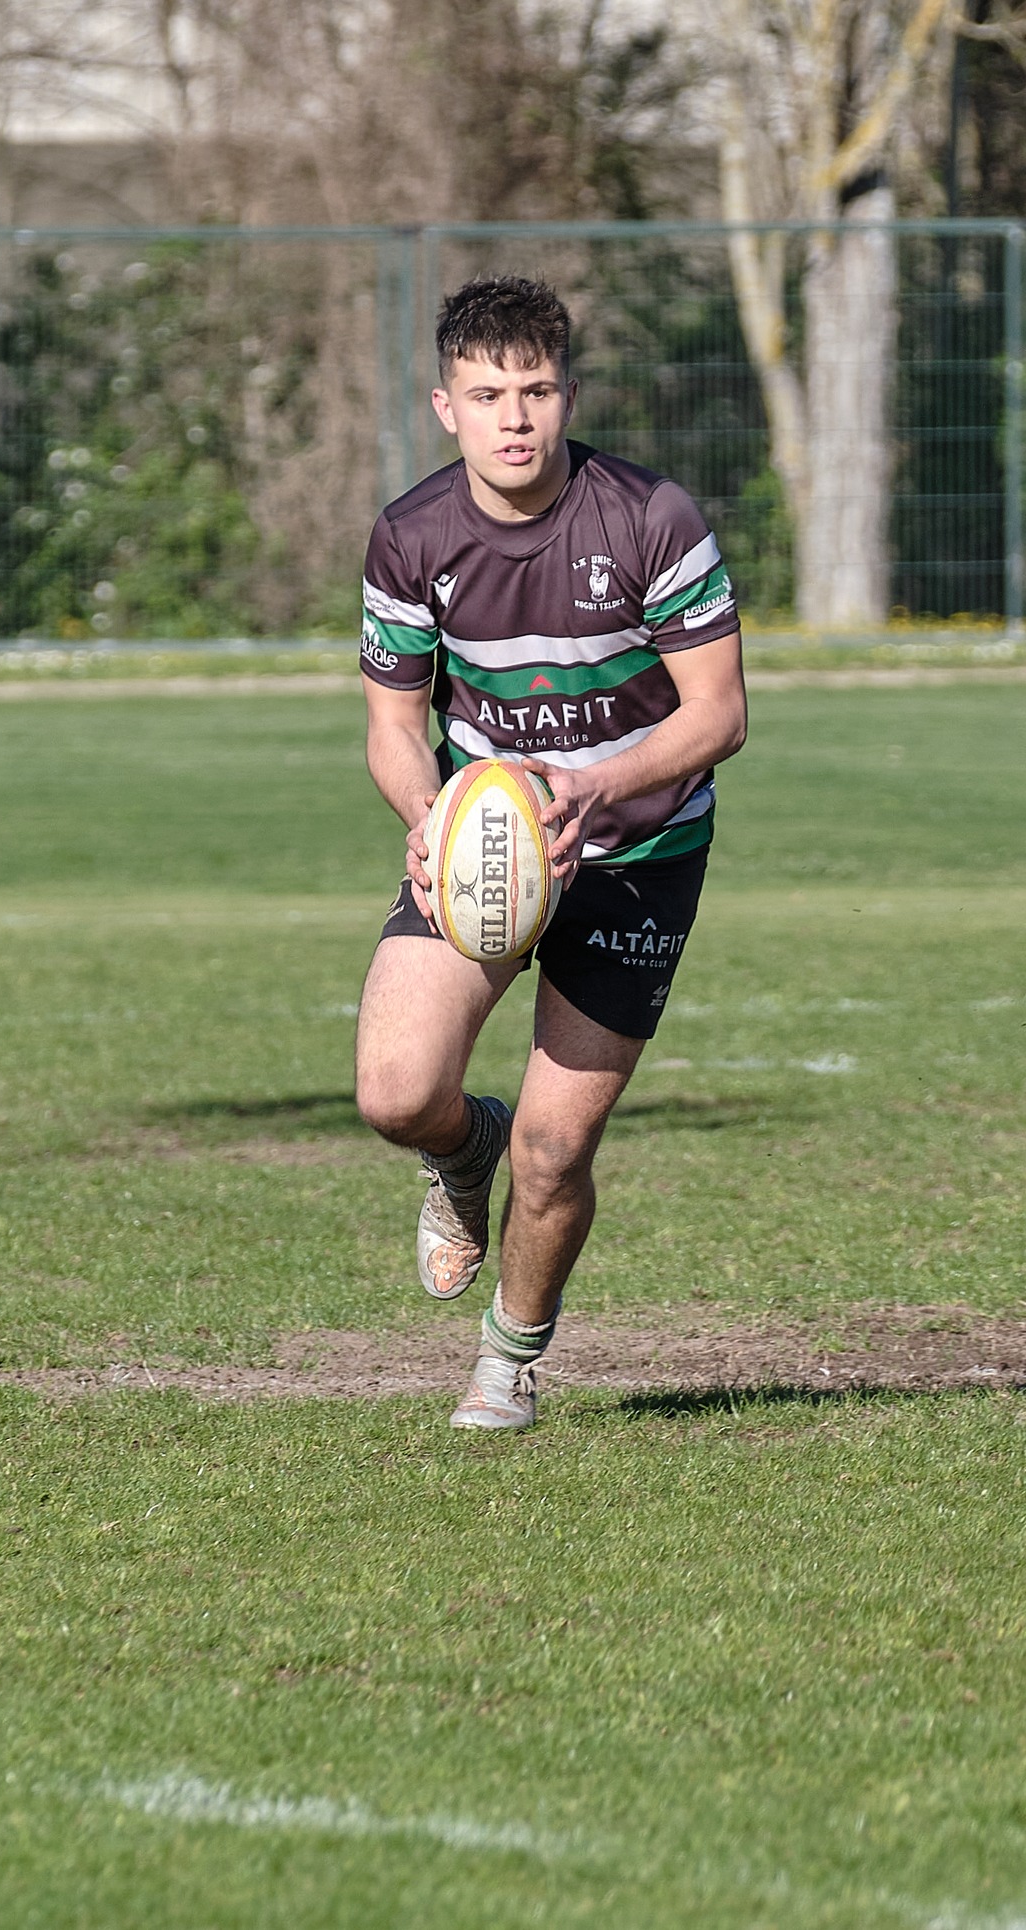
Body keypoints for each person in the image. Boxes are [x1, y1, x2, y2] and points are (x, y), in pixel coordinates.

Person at [353, 275, 748, 1431]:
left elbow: (716, 713)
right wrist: (427, 817)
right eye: (488, 395)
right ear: (446, 408)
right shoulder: (410, 536)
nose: (513, 417)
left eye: (533, 391)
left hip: (637, 852)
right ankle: (456, 1149)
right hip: (481, 846)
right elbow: (390, 725)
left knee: (555, 1143)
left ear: (568, 396)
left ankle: (506, 1364)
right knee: (392, 1093)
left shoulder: (649, 518)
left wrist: (591, 785)